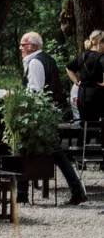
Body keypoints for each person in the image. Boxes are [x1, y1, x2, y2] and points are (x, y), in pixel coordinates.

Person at [20, 31, 87, 205]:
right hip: (48, 112)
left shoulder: (35, 62)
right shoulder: (47, 59)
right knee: (54, 153)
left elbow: (36, 91)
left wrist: (26, 109)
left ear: (32, 46)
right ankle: (76, 190)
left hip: (40, 115)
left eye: (23, 45)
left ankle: (22, 194)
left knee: (26, 149)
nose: (20, 48)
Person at [66, 29, 104, 121]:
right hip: (98, 96)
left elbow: (69, 68)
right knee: (99, 126)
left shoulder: (82, 56)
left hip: (82, 96)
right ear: (100, 42)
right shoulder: (101, 56)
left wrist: (76, 81)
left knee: (86, 125)